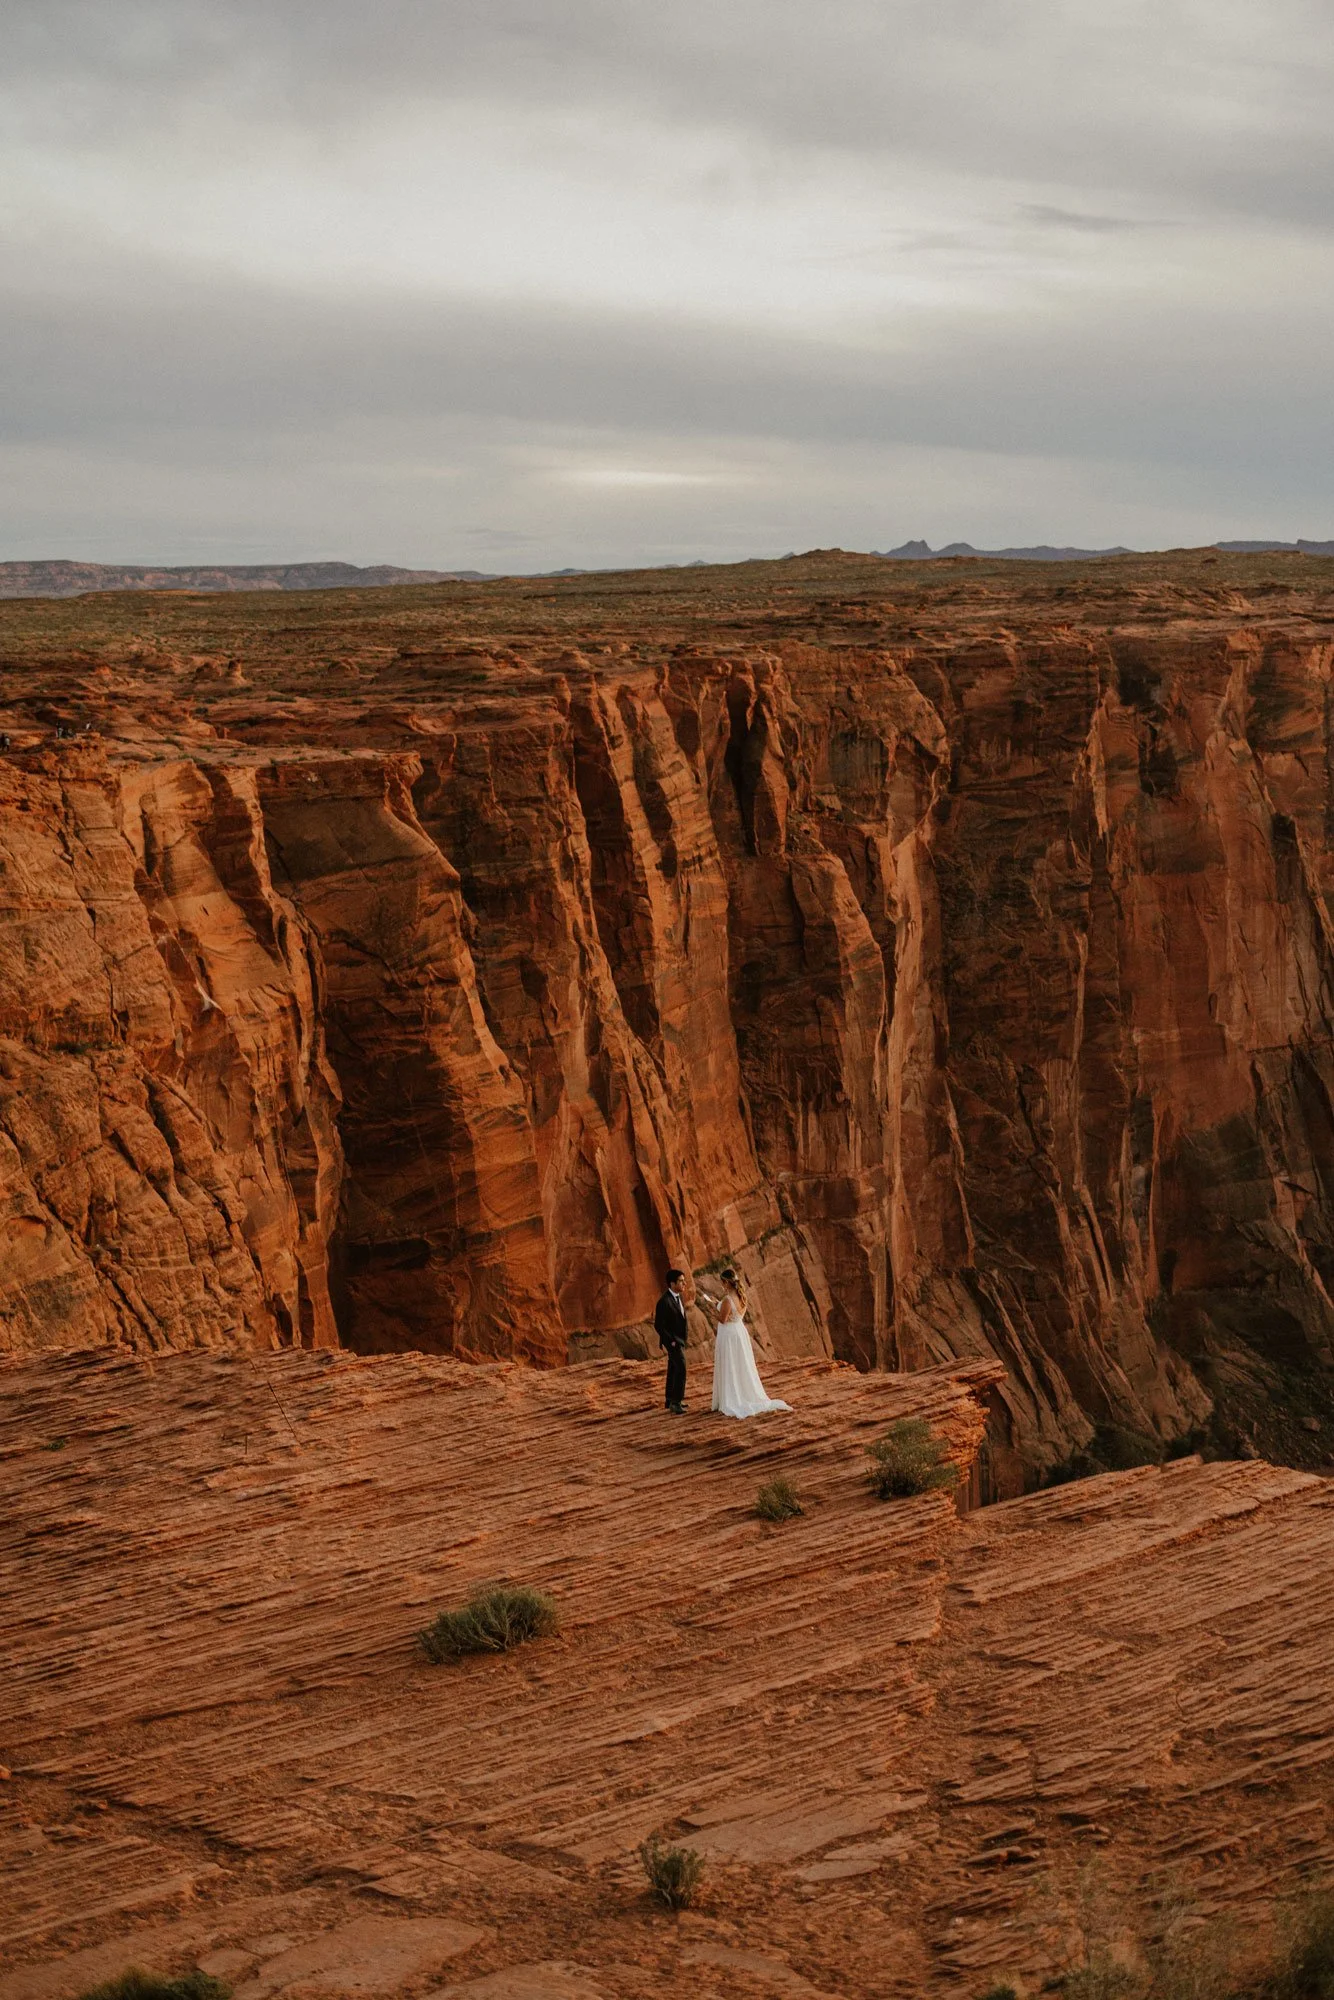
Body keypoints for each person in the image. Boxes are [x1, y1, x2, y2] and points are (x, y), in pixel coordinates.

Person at [703, 1269, 791, 1419]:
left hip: (729, 1335)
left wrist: (711, 1307)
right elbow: (733, 1313)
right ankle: (744, 1392)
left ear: (725, 1282)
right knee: (741, 1364)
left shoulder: (727, 1300)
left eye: (722, 1282)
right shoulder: (740, 1296)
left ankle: (732, 1397)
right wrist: (717, 1303)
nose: (722, 1285)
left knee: (730, 1364)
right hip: (739, 1332)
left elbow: (722, 1319)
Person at [654, 1268, 690, 1414]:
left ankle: (670, 1400)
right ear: (672, 1283)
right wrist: (671, 1341)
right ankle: (676, 1402)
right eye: (681, 1281)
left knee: (674, 1368)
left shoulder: (677, 1297)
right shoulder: (664, 1301)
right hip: (674, 1342)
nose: (684, 1284)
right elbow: (658, 1325)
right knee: (681, 1368)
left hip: (679, 1340)